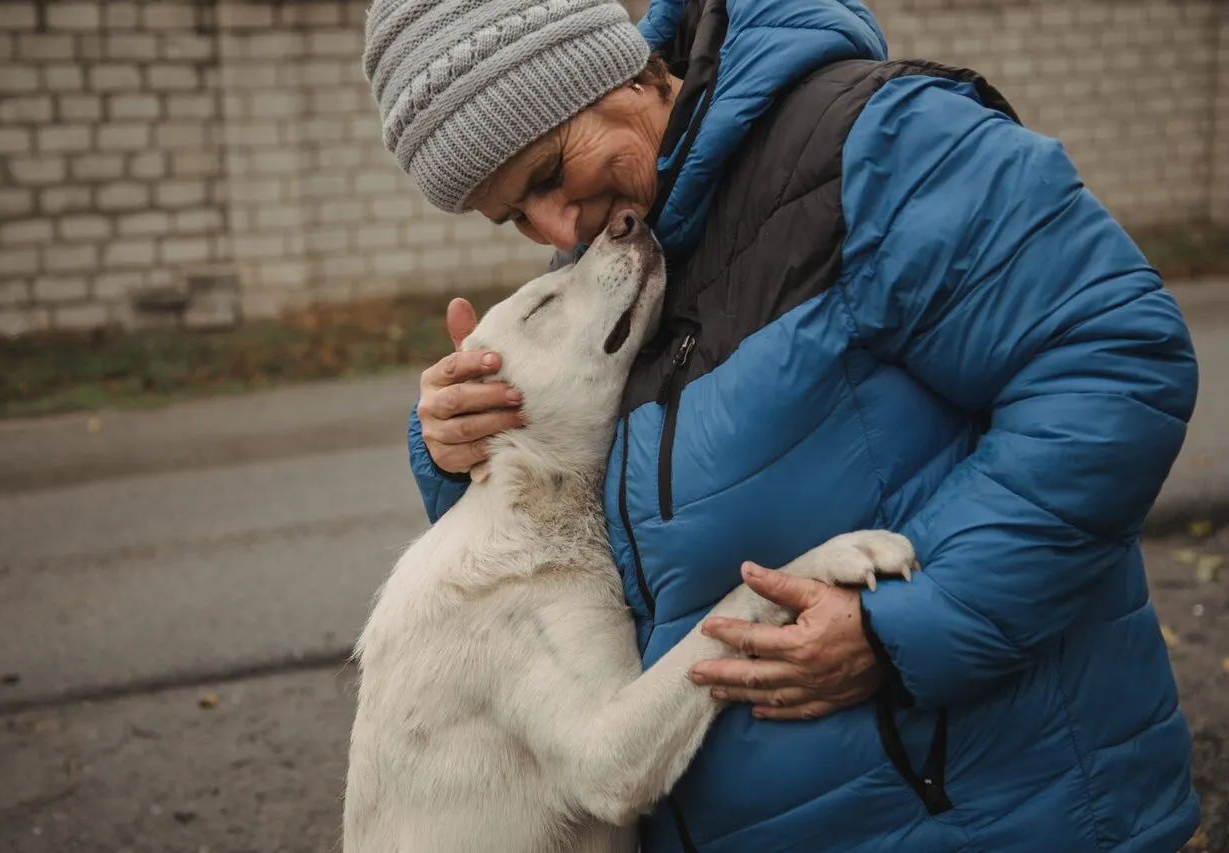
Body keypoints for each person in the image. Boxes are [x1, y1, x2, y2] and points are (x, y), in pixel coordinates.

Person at [362, 0, 1202, 850]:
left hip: (982, 815)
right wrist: (460, 443)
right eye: (513, 216)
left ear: (611, 73)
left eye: (546, 174)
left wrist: (905, 624)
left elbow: (1111, 365)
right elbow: (594, 556)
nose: (555, 229)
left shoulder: (875, 146)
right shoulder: (630, 245)